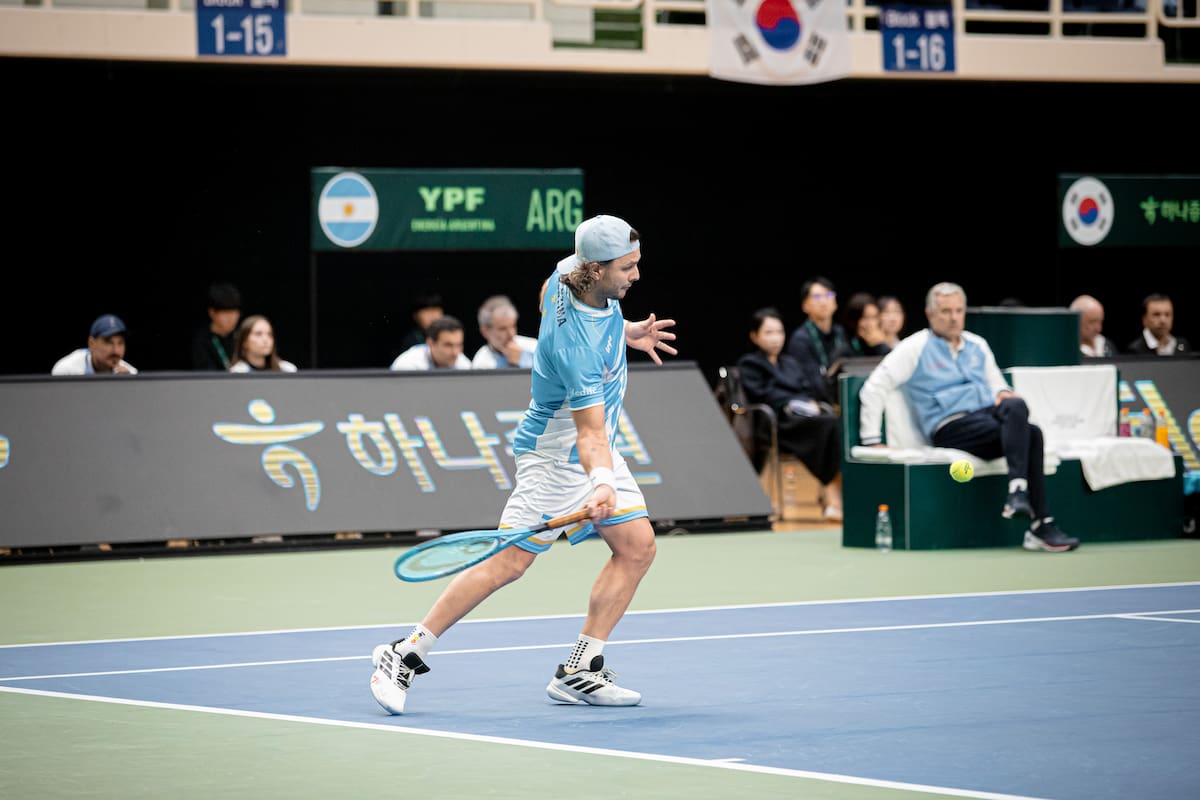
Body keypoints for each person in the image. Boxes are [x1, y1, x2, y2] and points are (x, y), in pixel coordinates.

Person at [369, 213, 677, 714]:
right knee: (508, 563)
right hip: (556, 457)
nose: (637, 275)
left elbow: (547, 298)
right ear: (596, 270)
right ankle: (403, 654)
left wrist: (622, 330)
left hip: (592, 451)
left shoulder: (566, 272)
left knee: (638, 546)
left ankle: (580, 670)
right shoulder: (573, 348)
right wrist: (601, 481)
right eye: (627, 267)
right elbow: (590, 434)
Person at [858, 282, 1080, 553]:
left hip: (988, 419)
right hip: (950, 427)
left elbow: (999, 387)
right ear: (930, 314)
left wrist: (1003, 395)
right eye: (945, 311)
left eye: (958, 311)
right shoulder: (913, 347)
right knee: (1030, 433)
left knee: (1020, 411)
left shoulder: (978, 345)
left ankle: (1020, 497)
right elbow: (874, 387)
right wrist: (871, 440)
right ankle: (1040, 523)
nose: (953, 317)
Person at [737, 307, 843, 521]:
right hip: (776, 423)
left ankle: (835, 498)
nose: (776, 338)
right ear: (754, 336)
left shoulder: (791, 363)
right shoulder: (750, 364)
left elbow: (806, 389)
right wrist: (791, 402)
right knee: (827, 426)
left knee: (833, 423)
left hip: (803, 421)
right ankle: (833, 499)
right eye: (769, 333)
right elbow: (762, 394)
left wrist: (807, 403)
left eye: (779, 332)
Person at [786, 276, 853, 407]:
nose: (824, 302)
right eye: (817, 297)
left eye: (828, 295)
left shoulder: (842, 333)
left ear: (835, 302)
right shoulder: (800, 339)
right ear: (805, 305)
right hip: (819, 404)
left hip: (845, 396)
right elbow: (812, 383)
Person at [52, 314, 138, 375]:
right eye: (108, 342)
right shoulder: (67, 371)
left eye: (120, 343)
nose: (116, 350)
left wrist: (126, 387)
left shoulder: (130, 375)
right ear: (91, 343)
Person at [470, 294, 537, 369]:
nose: (511, 334)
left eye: (513, 326)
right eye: (502, 329)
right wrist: (513, 365)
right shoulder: (481, 363)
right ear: (485, 332)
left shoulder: (534, 347)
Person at [389, 315, 472, 370]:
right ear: (430, 343)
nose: (455, 352)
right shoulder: (408, 365)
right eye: (448, 345)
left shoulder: (463, 364)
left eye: (459, 345)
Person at [191, 282, 242, 371]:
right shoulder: (202, 340)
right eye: (226, 313)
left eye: (234, 312)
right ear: (212, 313)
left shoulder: (241, 335)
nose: (231, 318)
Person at [1126, 293, 1192, 356]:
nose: (1163, 320)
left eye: (1167, 314)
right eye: (1156, 314)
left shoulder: (1182, 345)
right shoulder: (1135, 350)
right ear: (1144, 319)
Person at [229, 314, 298, 372]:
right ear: (244, 342)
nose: (265, 339)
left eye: (269, 334)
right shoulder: (237, 372)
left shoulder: (287, 370)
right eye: (258, 334)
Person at [840, 292, 891, 357]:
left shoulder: (881, 346)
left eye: (874, 317)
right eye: (865, 317)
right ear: (853, 321)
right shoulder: (845, 351)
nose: (871, 323)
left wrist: (880, 345)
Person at [395, 290, 445, 355]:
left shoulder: (451, 337)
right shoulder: (409, 341)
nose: (433, 316)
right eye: (427, 311)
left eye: (436, 310)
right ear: (415, 315)